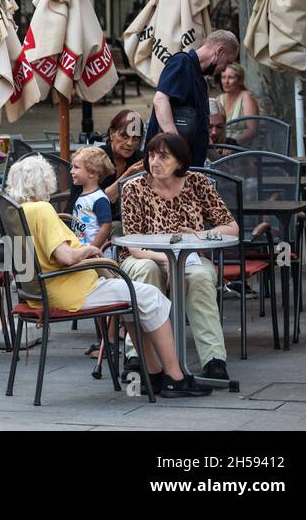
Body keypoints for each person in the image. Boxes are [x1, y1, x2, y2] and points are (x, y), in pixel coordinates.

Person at [6, 156, 211, 398]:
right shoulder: (41, 209)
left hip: (41, 293)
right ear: (43, 182)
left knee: (134, 303)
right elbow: (66, 258)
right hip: (70, 291)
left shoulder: (15, 213)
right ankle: (176, 377)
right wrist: (89, 250)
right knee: (152, 296)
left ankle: (153, 374)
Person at [119, 132, 239, 383]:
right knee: (147, 272)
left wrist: (201, 234)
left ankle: (214, 359)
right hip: (144, 257)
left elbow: (231, 227)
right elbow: (133, 247)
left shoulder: (198, 183)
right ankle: (137, 357)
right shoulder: (134, 188)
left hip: (188, 259)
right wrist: (166, 261)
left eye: (164, 156)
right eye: (151, 155)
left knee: (200, 277)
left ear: (180, 162)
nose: (155, 162)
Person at [147, 28, 239, 168]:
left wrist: (221, 162)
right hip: (171, 167)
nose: (224, 68)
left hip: (189, 168)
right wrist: (176, 146)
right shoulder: (182, 62)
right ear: (220, 51)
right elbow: (160, 100)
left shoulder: (200, 79)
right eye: (227, 62)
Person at [70, 146, 115, 254]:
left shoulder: (99, 199)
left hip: (97, 257)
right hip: (83, 251)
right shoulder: (82, 195)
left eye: (76, 167)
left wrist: (91, 250)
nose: (72, 171)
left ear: (92, 173)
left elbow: (106, 227)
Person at [218, 62, 259, 144]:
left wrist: (233, 142)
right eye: (223, 77)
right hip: (222, 146)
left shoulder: (246, 97)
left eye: (231, 78)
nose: (226, 81)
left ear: (240, 80)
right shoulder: (219, 99)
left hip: (241, 147)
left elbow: (252, 130)